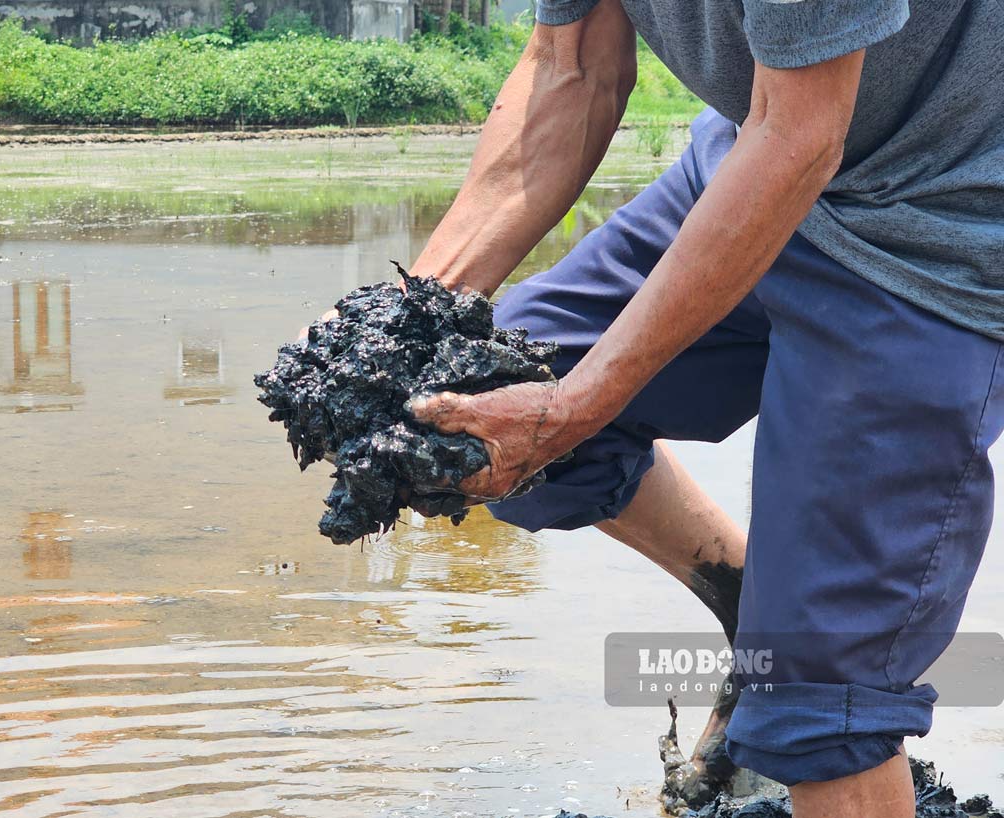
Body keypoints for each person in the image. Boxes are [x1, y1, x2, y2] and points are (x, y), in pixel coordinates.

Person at [393, 0, 1004, 815]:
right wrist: (401, 325)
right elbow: (572, 66)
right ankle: (754, 601)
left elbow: (802, 135)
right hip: (750, 159)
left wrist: (571, 405)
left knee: (822, 710)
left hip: (935, 231)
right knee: (456, 422)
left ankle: (794, 657)